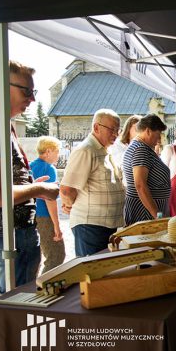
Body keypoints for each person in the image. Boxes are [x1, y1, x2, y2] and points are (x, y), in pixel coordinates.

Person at [0, 60, 59, 293]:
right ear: (0, 85)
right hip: (10, 231)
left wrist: (31, 185)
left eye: (33, 92)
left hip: (5, 229)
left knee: (13, 300)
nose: (32, 98)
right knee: (18, 306)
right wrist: (39, 190)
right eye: (27, 91)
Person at [60, 109, 125, 257]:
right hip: (91, 226)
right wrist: (70, 205)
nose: (115, 134)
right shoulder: (86, 150)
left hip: (105, 225)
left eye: (118, 130)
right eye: (112, 130)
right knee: (92, 272)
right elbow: (66, 190)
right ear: (96, 127)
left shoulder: (103, 150)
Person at [123, 114, 171, 225]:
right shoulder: (141, 149)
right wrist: (158, 215)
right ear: (148, 131)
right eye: (158, 134)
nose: (159, 139)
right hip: (145, 212)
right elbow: (140, 185)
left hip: (148, 209)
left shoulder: (140, 147)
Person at [30, 136, 66, 273]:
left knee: (37, 258)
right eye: (57, 151)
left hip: (32, 215)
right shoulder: (49, 168)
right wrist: (57, 226)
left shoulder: (31, 166)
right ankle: (45, 288)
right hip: (44, 216)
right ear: (48, 151)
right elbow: (49, 199)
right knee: (56, 257)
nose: (58, 155)